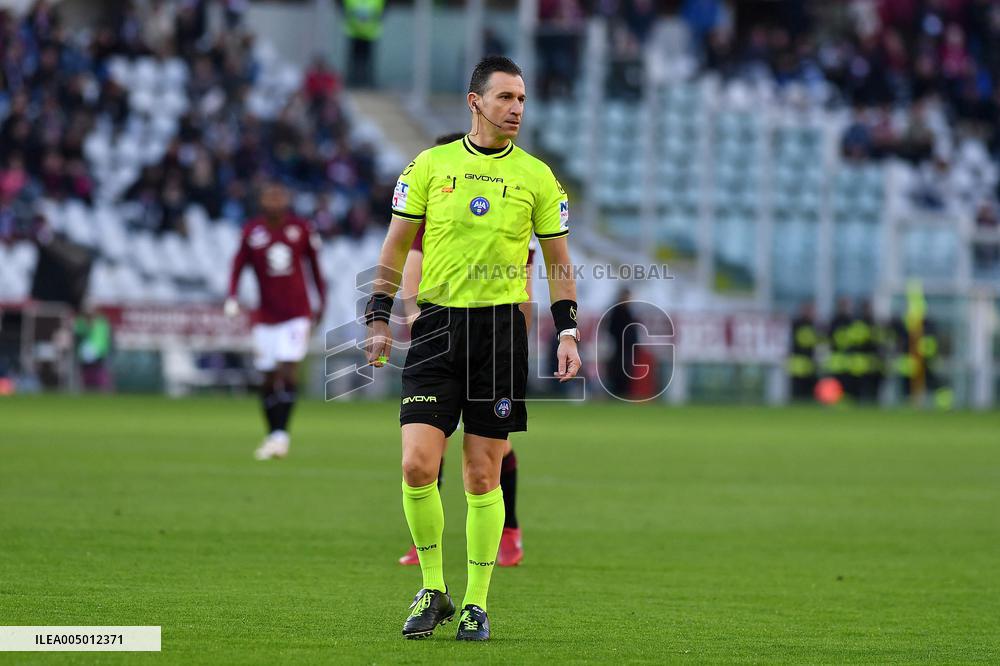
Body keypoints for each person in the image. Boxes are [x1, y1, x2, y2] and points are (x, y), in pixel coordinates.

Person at [364, 56, 580, 641]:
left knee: (483, 475)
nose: (516, 109)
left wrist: (566, 332)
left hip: (500, 336)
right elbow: (394, 247)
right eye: (506, 97)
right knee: (416, 463)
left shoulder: (538, 176)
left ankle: (476, 603)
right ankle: (433, 587)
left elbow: (559, 265)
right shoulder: (430, 166)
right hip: (436, 328)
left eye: (522, 100)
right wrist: (378, 317)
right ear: (474, 101)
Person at [397, 131, 531, 569]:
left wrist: (518, 340)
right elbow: (412, 261)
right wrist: (414, 315)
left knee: (492, 456)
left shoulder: (512, 209)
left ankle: (510, 530)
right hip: (442, 333)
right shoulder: (434, 206)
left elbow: (525, 284)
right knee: (425, 446)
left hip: (495, 339)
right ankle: (427, 544)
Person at [225, 183, 326, 460]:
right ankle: (273, 434)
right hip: (265, 315)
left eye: (279, 196)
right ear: (262, 200)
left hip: (296, 314)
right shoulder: (251, 231)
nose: (274, 201)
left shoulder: (302, 228)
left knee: (288, 368)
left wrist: (322, 302)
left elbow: (316, 268)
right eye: (270, 196)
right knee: (268, 375)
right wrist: (232, 296)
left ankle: (281, 434)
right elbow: (237, 266)